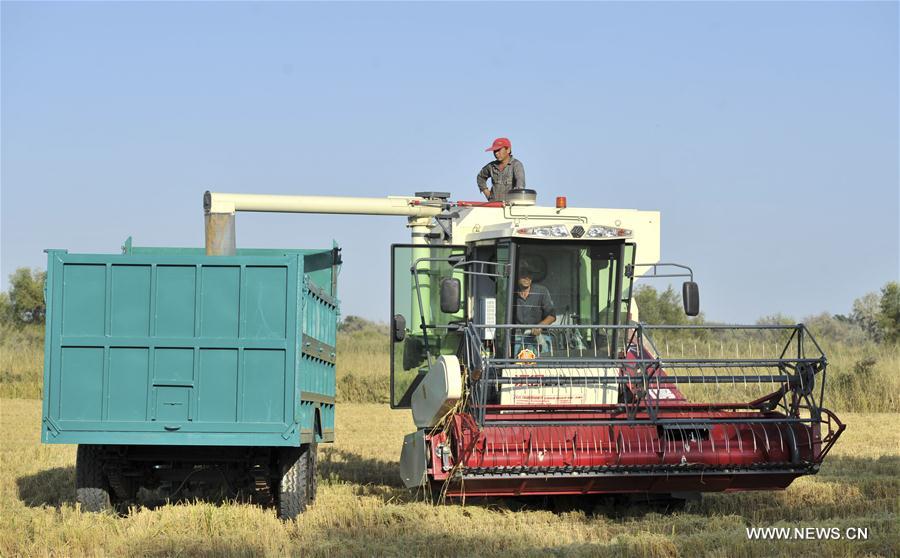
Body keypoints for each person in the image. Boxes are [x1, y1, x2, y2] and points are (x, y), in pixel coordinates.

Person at [513, 266, 556, 356]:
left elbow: (552, 315)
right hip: (516, 339)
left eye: (529, 274)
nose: (527, 278)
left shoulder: (541, 291)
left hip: (538, 338)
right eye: (523, 274)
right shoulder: (510, 293)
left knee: (542, 366)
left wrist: (539, 326)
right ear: (516, 276)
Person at [476, 137, 527, 201]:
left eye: (498, 150)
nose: (496, 153)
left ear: (508, 150)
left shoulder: (516, 165)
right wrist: (487, 194)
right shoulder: (491, 166)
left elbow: (520, 186)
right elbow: (480, 177)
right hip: (494, 206)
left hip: (509, 207)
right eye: (494, 151)